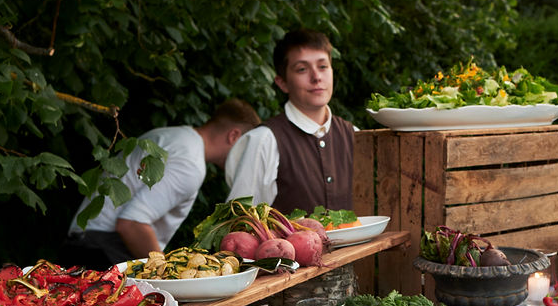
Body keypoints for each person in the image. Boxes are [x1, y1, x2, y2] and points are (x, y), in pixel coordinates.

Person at [64, 99, 261, 266]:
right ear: (233, 136)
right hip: (103, 251)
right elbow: (132, 224)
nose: (244, 162)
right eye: (246, 151)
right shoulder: (190, 164)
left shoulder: (170, 136)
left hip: (84, 242)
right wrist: (165, 274)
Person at [224, 29, 354, 214]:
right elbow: (239, 222)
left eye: (323, 66)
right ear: (282, 82)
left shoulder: (355, 135)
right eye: (302, 69)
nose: (316, 77)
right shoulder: (263, 141)